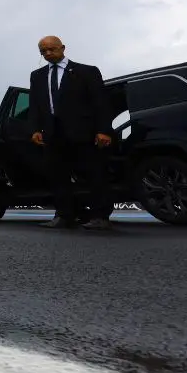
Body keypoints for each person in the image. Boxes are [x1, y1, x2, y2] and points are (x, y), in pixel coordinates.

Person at [27, 35, 114, 230]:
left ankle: (100, 215)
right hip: (52, 135)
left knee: (93, 173)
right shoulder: (37, 76)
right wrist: (34, 129)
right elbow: (35, 106)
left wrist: (103, 130)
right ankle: (65, 215)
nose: (48, 53)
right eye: (43, 51)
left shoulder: (86, 72)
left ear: (63, 48)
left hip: (83, 133)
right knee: (57, 175)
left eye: (52, 49)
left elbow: (100, 102)